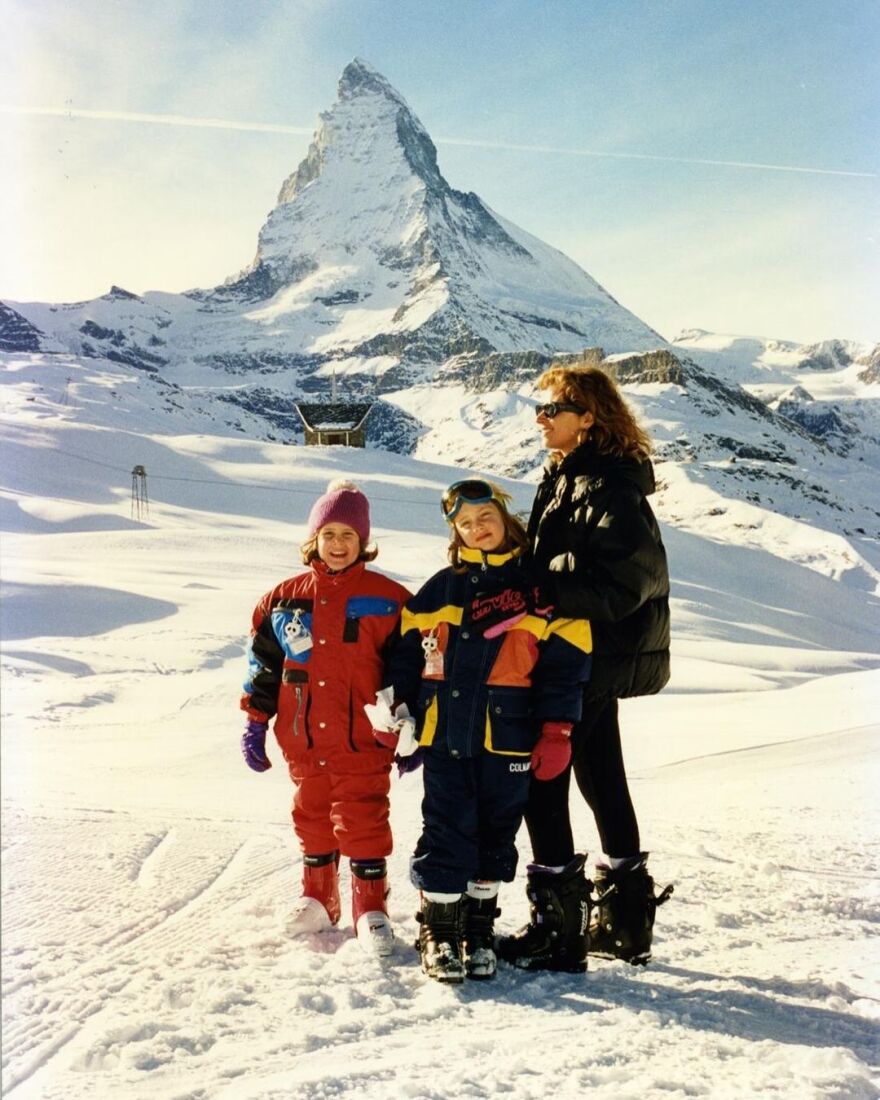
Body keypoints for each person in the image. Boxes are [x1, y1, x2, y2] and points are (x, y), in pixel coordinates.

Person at [375, 480, 591, 982]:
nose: (478, 529)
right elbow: (407, 650)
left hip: (509, 735)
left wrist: (557, 730)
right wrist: (398, 703)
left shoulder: (539, 589)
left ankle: (476, 929)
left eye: (485, 517)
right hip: (446, 731)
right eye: (465, 524)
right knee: (448, 826)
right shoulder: (442, 587)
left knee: (497, 830)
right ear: (456, 533)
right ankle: (440, 931)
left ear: (504, 517)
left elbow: (566, 664)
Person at [497, 365, 673, 971]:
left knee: (544, 781)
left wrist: (545, 597)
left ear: (588, 418)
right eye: (540, 409)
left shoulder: (609, 488)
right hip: (582, 654)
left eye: (552, 409)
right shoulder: (568, 476)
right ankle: (625, 924)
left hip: (588, 657)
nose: (540, 418)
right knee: (600, 778)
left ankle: (558, 930)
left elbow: (629, 582)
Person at [239, 479, 410, 957]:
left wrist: (412, 726)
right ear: (313, 538)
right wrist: (255, 719)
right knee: (311, 815)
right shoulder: (282, 599)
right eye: (329, 534)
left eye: (348, 537)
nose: (338, 545)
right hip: (303, 734)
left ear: (364, 542)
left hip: (365, 737)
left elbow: (411, 667)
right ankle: (319, 898)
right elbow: (264, 665)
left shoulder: (390, 599)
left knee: (364, 818)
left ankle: (370, 907)